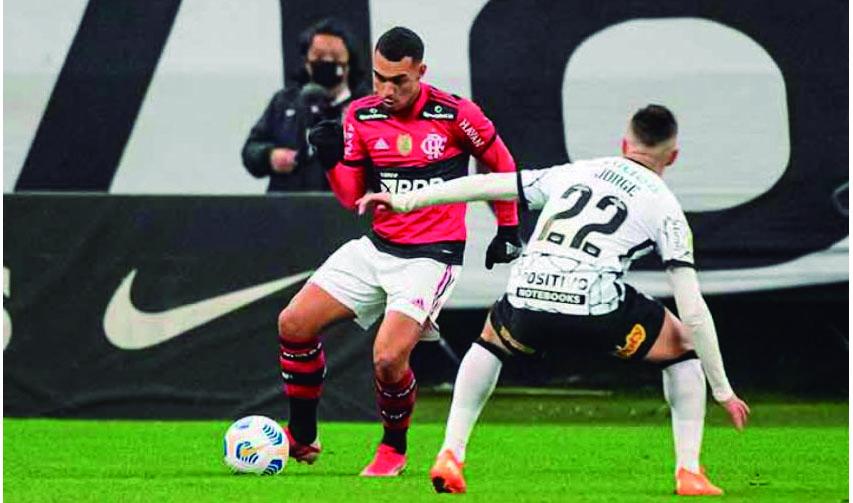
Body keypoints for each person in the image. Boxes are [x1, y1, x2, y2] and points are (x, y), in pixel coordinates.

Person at [356, 104, 751, 495]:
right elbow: (693, 309)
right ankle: (689, 472)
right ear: (674, 156)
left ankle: (451, 454)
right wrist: (722, 390)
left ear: (624, 143)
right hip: (596, 311)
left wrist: (406, 201)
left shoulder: (578, 171)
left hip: (528, 298)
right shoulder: (665, 206)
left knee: (491, 338)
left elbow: (489, 185)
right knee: (682, 344)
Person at [276, 26, 523, 477]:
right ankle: (303, 435)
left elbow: (500, 163)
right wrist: (332, 159)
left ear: (421, 72)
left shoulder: (455, 114)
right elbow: (352, 196)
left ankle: (393, 448)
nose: (386, 90)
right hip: (379, 245)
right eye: (379, 78)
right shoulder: (361, 114)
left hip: (432, 254)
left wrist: (507, 226)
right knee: (293, 323)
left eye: (399, 81)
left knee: (389, 357)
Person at [241, 18, 369, 191]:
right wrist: (269, 156)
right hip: (289, 208)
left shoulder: (367, 107)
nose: (327, 61)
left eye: (335, 56)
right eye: (319, 56)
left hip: (345, 209)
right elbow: (251, 150)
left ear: (349, 63)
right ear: (307, 62)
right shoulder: (285, 102)